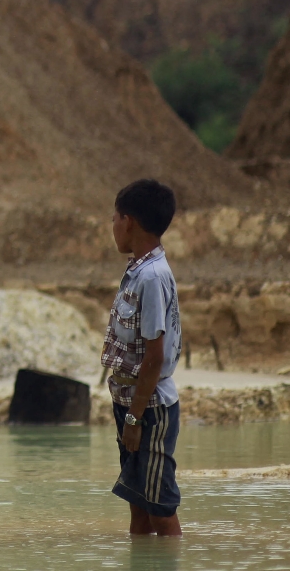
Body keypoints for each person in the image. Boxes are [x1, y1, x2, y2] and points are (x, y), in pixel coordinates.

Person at [103, 178, 183, 536]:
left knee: (161, 510)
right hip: (131, 405)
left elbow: (154, 356)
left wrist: (134, 420)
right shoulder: (139, 268)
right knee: (139, 505)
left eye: (115, 218)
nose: (113, 226)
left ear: (129, 221)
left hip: (148, 410)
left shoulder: (151, 277)